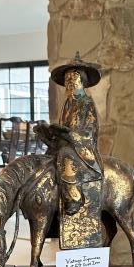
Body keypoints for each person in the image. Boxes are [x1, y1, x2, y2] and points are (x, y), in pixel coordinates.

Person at [47, 52, 103, 216]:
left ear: (83, 82)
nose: (70, 83)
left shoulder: (87, 103)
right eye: (67, 80)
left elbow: (90, 130)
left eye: (74, 79)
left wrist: (71, 134)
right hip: (66, 141)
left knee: (66, 154)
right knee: (48, 156)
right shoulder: (67, 104)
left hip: (82, 146)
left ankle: (74, 197)